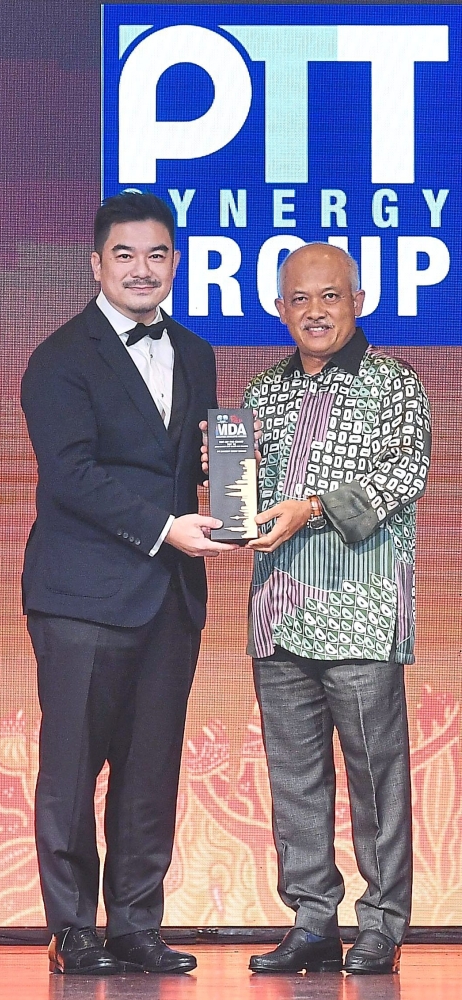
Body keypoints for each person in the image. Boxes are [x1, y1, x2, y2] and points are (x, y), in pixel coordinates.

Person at [21, 191, 235, 976]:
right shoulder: (60, 356)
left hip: (170, 598)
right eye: (125, 255)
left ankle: (137, 925)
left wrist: (218, 473)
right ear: (96, 264)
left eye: (157, 255)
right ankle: (74, 930)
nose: (142, 269)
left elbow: (192, 458)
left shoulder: (197, 350)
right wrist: (164, 527)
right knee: (73, 766)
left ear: (176, 263)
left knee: (151, 772)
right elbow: (71, 476)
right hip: (82, 597)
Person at [243, 243, 431, 974]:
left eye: (329, 296)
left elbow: (401, 475)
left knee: (374, 777)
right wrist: (219, 472)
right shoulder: (263, 392)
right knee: (294, 778)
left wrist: (311, 508)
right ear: (279, 308)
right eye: (299, 299)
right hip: (279, 611)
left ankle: (382, 920)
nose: (314, 311)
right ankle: (313, 919)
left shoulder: (395, 385)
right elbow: (249, 491)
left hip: (360, 612)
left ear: (359, 300)